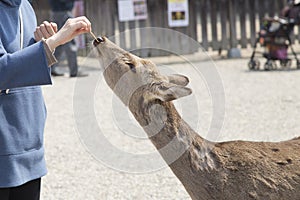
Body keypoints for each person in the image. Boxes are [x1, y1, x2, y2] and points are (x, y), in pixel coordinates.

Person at [0, 0, 92, 199]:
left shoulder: (25, 6)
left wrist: (40, 46)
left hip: (31, 146)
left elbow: (20, 68)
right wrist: (53, 42)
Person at [48, 0, 87, 77]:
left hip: (55, 12)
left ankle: (52, 68)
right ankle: (74, 71)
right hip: (63, 12)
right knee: (70, 42)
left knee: (58, 42)